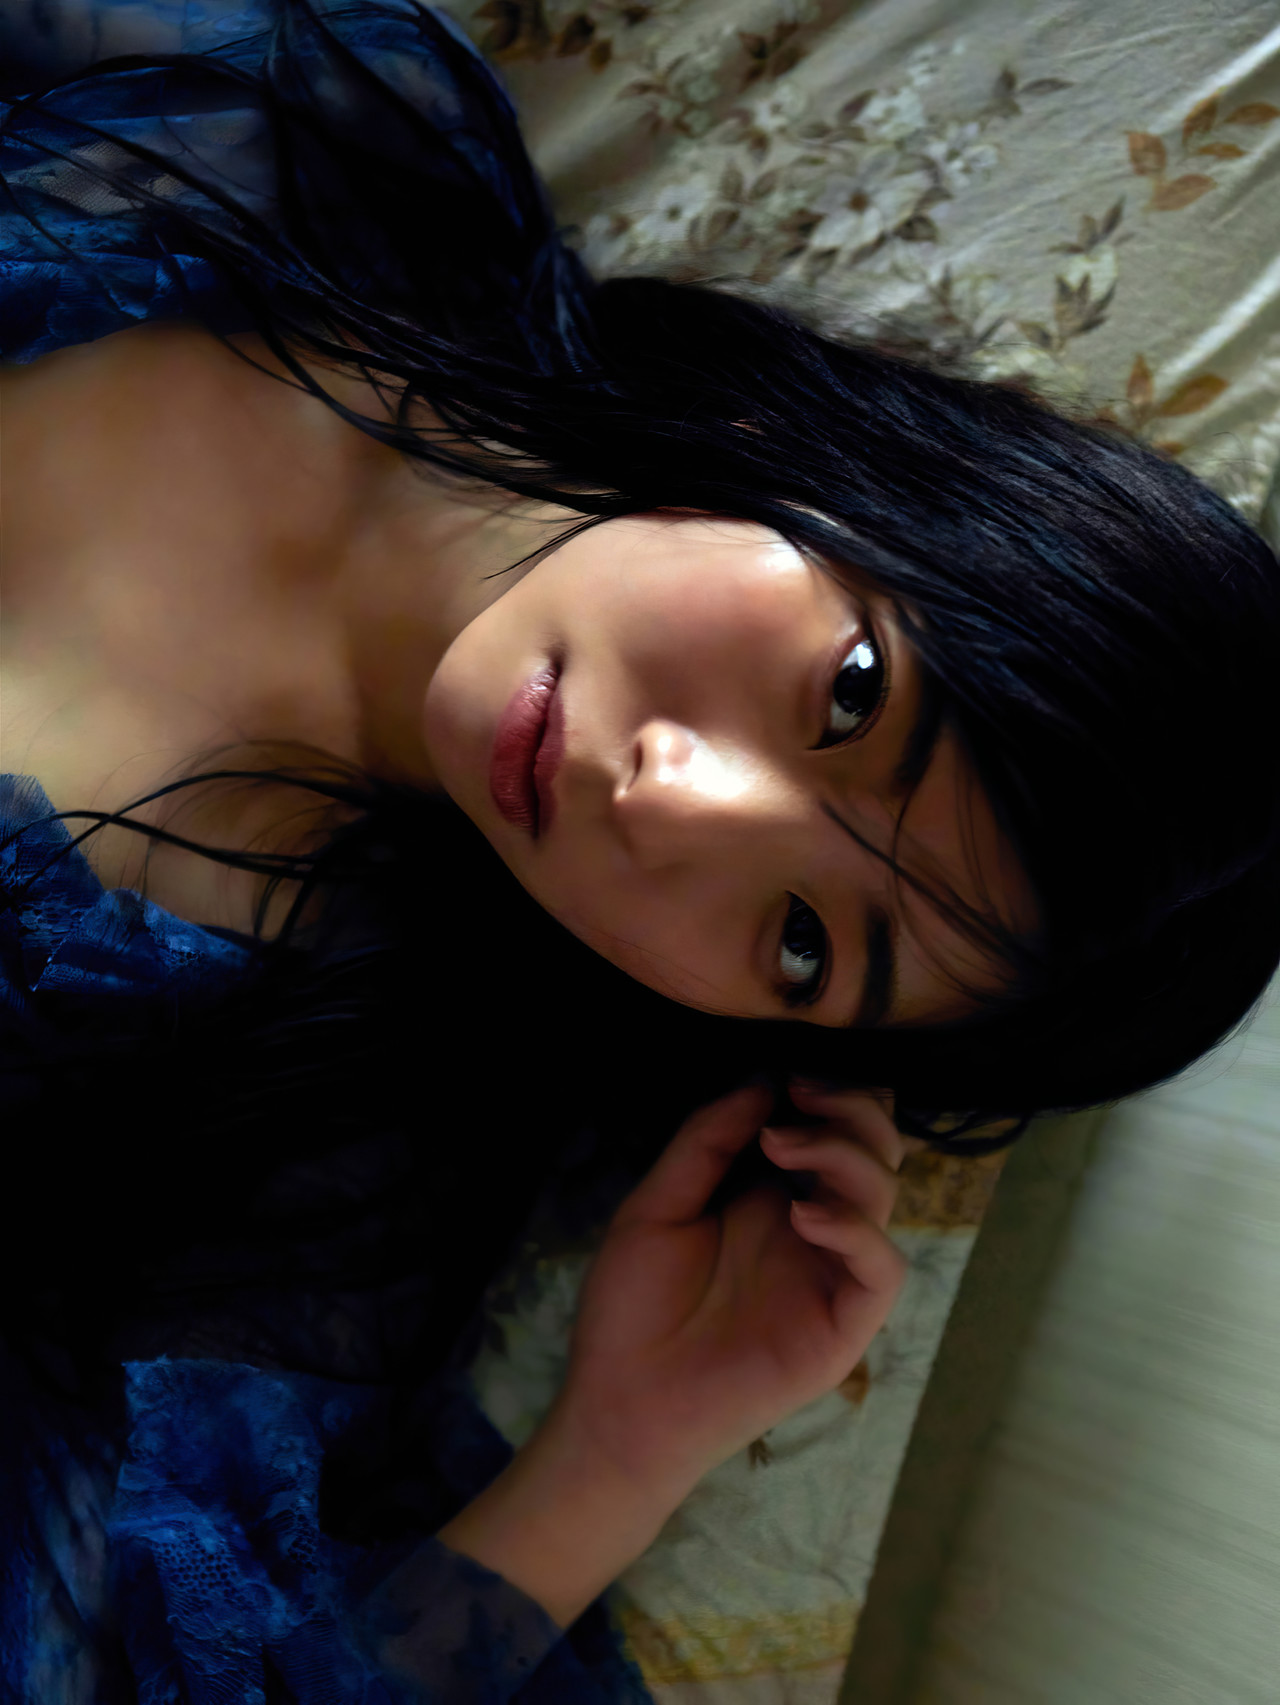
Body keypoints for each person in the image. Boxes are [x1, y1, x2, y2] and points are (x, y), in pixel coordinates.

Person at [1, 1, 1277, 1698]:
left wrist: (622, 1450)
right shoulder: (328, 148)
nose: (670, 803)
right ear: (849, 485)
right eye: (852, 691)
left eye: (805, 943)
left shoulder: (309, 1144)